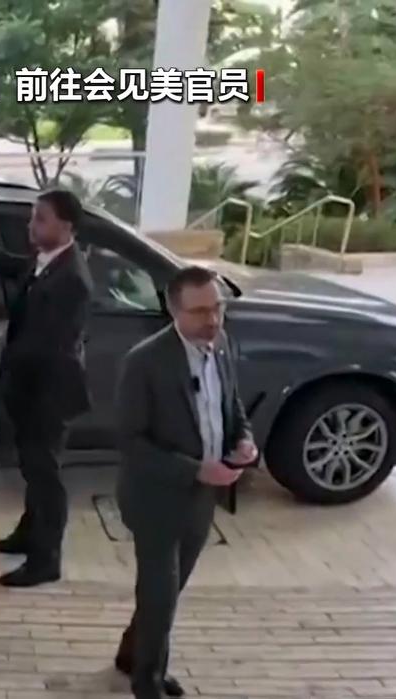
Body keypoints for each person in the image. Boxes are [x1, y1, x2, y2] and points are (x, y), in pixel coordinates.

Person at [112, 265, 258, 699]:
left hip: (200, 499)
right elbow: (130, 442)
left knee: (167, 590)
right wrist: (195, 469)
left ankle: (132, 653)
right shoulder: (144, 362)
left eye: (217, 308)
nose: (212, 319)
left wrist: (244, 440)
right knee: (160, 595)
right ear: (173, 311)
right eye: (199, 312)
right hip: (154, 499)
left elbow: (231, 405)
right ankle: (147, 682)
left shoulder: (222, 344)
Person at [0, 188, 95, 588]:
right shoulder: (48, 261)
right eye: (32, 217)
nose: (31, 225)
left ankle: (46, 559)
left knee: (45, 475)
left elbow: (47, 345)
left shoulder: (71, 279)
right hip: (31, 387)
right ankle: (29, 534)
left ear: (66, 226)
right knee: (33, 467)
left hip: (49, 391)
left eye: (40, 219)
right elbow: (12, 267)